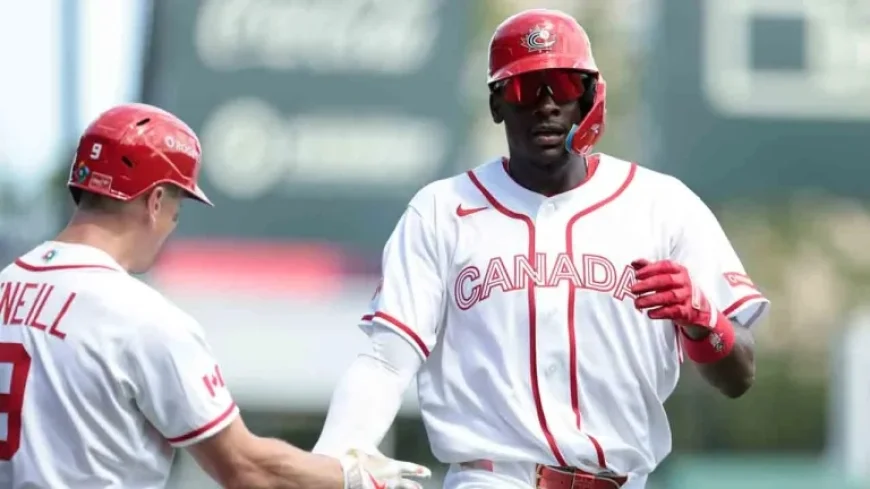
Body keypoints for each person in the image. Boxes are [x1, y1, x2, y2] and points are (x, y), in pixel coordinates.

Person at [311, 8, 770, 489]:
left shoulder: (663, 205)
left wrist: (704, 321)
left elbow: (739, 376)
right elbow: (387, 360)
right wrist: (332, 458)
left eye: (564, 85)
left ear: (591, 95)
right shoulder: (441, 210)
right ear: (496, 104)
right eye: (526, 88)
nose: (547, 105)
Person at [0, 103, 430, 489]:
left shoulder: (6, 285)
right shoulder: (138, 317)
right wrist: (352, 478)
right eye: (177, 208)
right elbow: (246, 469)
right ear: (153, 201)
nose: (172, 222)